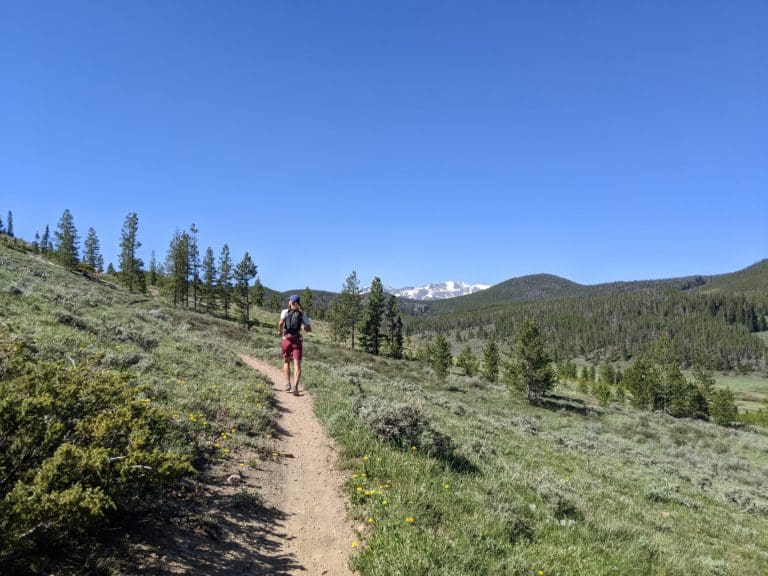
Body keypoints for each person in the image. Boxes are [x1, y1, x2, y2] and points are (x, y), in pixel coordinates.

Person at [278, 294, 312, 396]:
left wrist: (279, 331)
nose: (288, 302)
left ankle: (288, 384)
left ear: (291, 302)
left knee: (286, 361)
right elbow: (309, 329)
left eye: (289, 300)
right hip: (297, 340)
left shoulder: (285, 312)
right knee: (297, 364)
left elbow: (280, 323)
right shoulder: (302, 314)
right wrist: (302, 327)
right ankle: (295, 388)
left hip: (286, 339)